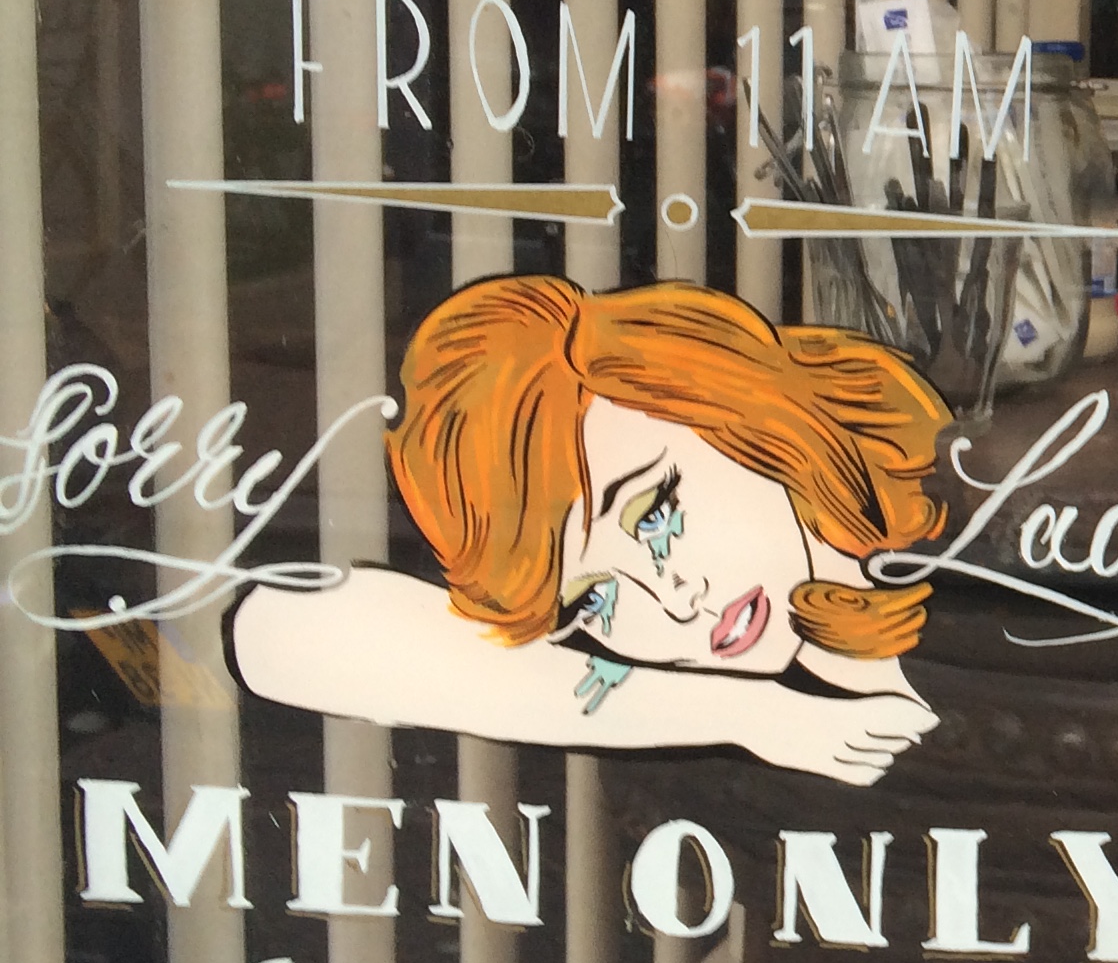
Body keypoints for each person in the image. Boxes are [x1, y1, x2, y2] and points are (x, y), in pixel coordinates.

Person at [233, 276, 948, 787]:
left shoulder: (950, 530)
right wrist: (749, 714)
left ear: (722, 402)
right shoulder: (779, 692)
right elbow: (280, 632)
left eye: (656, 514)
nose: (675, 601)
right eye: (593, 601)